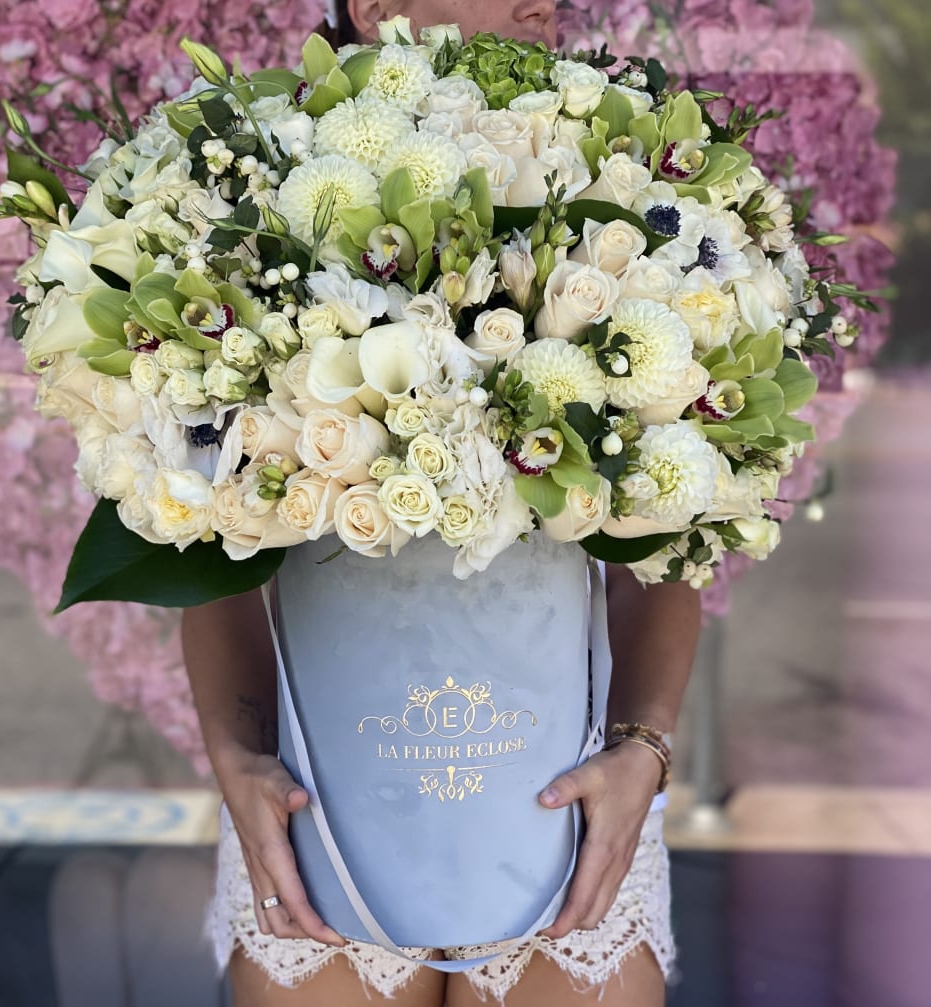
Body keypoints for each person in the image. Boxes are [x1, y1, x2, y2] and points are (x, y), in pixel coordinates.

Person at [183, 2, 702, 1004]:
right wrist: (236, 755)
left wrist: (642, 746)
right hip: (321, 805)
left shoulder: (620, 186)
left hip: (567, 798)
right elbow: (207, 530)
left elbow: (667, 528)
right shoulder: (248, 195)